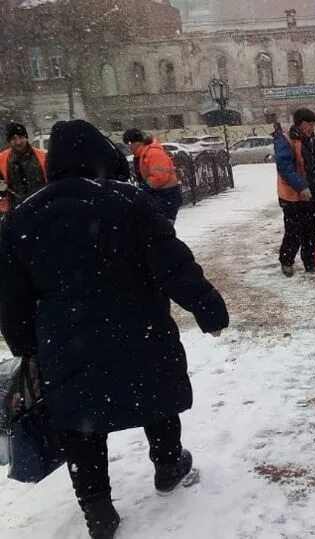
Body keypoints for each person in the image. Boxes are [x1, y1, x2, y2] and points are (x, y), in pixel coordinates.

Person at [0, 120, 229, 538]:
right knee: (154, 393)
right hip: (136, 324)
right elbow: (172, 262)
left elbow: (11, 296)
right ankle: (168, 464)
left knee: (79, 420)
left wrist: (25, 344)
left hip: (65, 339)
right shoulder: (129, 202)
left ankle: (97, 508)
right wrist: (207, 308)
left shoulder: (22, 218)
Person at [275, 107, 315, 277]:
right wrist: (301, 186)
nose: (312, 127)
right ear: (300, 124)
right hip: (294, 197)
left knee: (311, 232)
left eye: (313, 124)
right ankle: (287, 261)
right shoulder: (286, 141)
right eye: (309, 124)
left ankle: (311, 262)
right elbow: (285, 167)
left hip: (313, 194)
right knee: (294, 232)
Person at [122, 128, 182, 223]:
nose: (128, 148)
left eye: (129, 144)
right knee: (159, 229)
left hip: (166, 195)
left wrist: (144, 187)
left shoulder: (153, 153)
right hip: (161, 195)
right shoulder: (142, 154)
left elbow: (160, 176)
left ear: (137, 142)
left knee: (163, 230)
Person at [0, 122, 48, 215]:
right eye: (14, 139)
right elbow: (2, 194)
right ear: (9, 141)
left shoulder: (43, 156)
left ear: (26, 138)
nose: (18, 142)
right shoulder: (2, 159)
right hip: (15, 211)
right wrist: (2, 191)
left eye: (21, 137)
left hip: (42, 207)